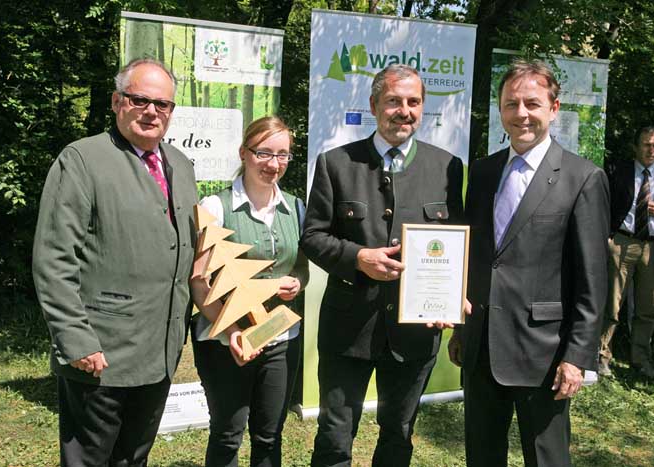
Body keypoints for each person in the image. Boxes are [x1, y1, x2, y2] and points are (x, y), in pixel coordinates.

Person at [32, 58, 198, 466]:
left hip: (159, 350)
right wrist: (75, 339)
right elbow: (54, 258)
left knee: (133, 457)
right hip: (101, 353)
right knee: (90, 458)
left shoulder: (181, 165)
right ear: (116, 101)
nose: (152, 111)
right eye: (139, 99)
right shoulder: (82, 160)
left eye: (163, 104)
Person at [301, 64, 465, 467]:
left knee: (398, 434)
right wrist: (358, 258)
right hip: (348, 331)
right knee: (335, 436)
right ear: (375, 106)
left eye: (413, 102)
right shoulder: (336, 163)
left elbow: (457, 246)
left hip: (414, 335)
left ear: (423, 108)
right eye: (393, 101)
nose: (403, 111)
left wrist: (449, 300)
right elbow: (312, 238)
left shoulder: (446, 167)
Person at [448, 59, 609, 467]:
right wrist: (461, 327)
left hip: (546, 355)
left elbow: (592, 279)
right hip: (481, 346)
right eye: (511, 104)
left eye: (532, 104)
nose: (521, 114)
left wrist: (577, 357)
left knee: (547, 459)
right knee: (482, 456)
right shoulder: (482, 173)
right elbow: (478, 258)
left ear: (553, 109)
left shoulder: (583, 178)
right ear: (500, 109)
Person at [190, 116, 309, 467]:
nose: (274, 164)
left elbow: (301, 266)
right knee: (228, 435)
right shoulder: (216, 207)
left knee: (269, 436)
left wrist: (298, 282)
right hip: (227, 343)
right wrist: (232, 331)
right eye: (264, 153)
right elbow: (199, 283)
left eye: (283, 155)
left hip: (281, 338)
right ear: (244, 153)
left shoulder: (297, 208)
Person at [598, 126, 654, 380]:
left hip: (653, 247)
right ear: (635, 147)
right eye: (646, 145)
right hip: (622, 243)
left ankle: (641, 361)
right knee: (612, 305)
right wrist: (607, 237)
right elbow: (603, 204)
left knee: (648, 309)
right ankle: (602, 357)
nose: (651, 150)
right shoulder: (617, 171)